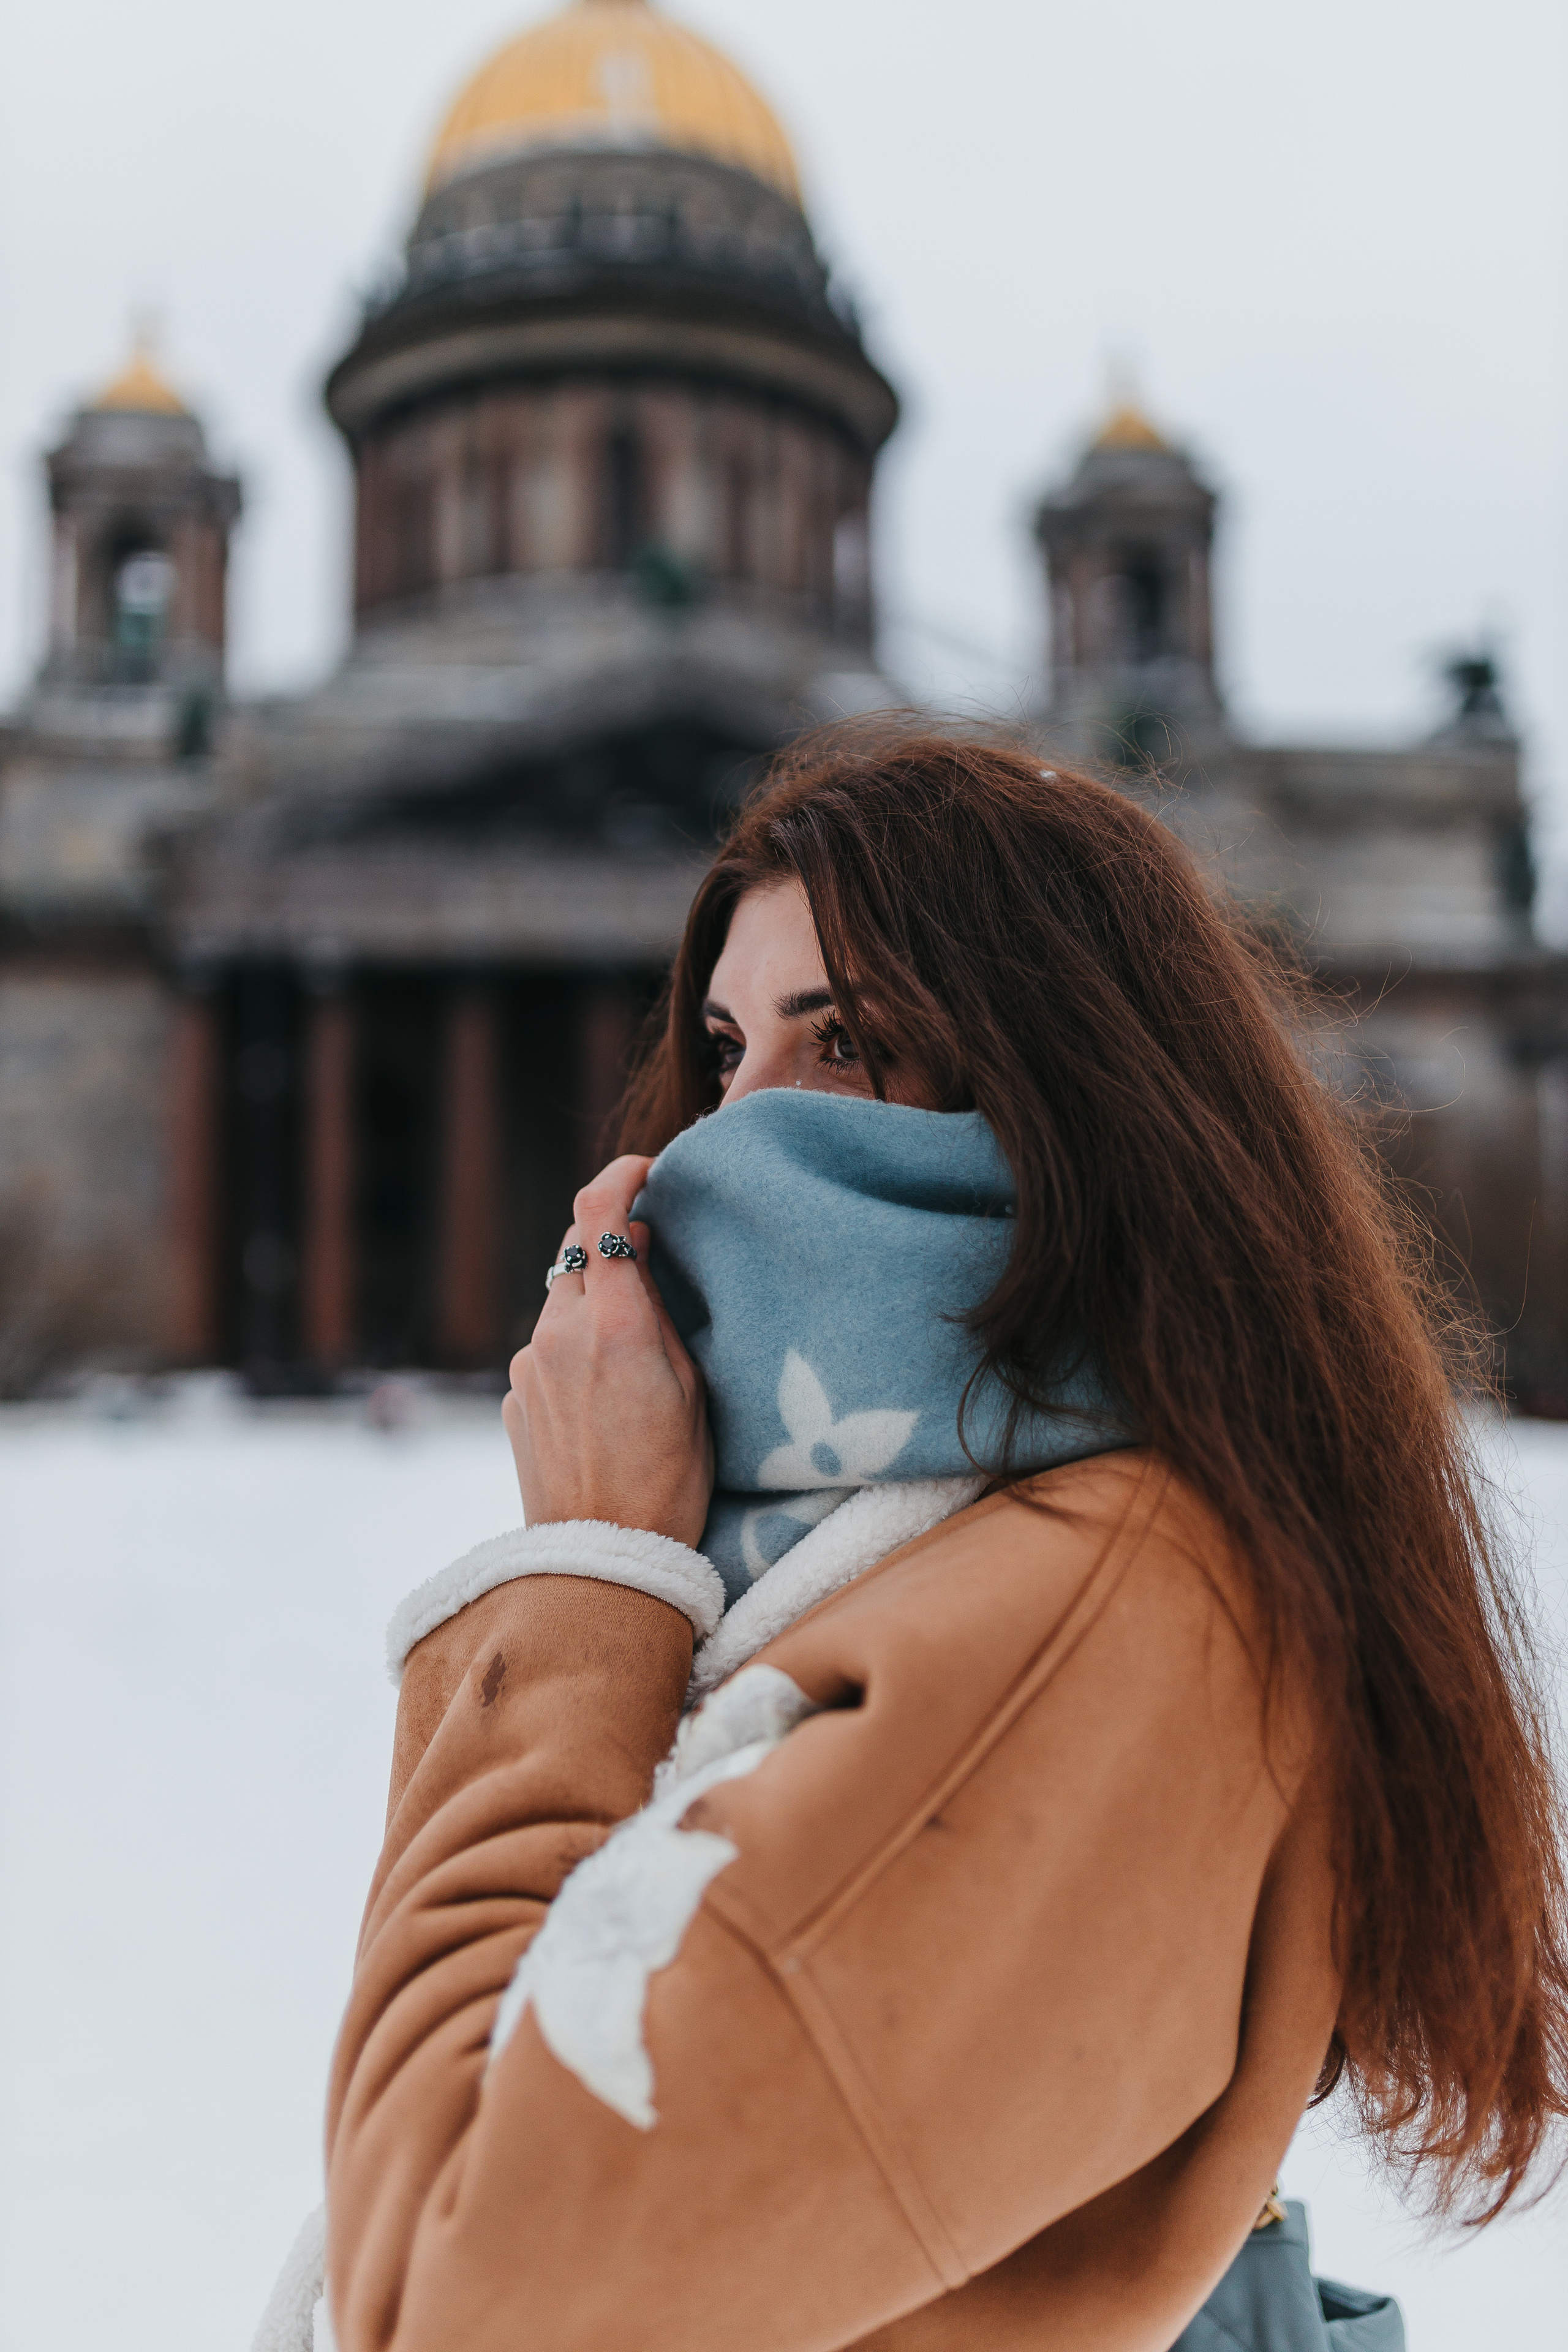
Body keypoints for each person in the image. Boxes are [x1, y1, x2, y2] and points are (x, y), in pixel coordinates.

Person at [309, 728, 1568, 2351]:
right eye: (722, 1051)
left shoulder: (1103, 1612)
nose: (720, 1141)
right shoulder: (915, 1548)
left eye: (846, 1042)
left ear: (1064, 1087)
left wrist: (591, 1575)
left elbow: (456, 2309)